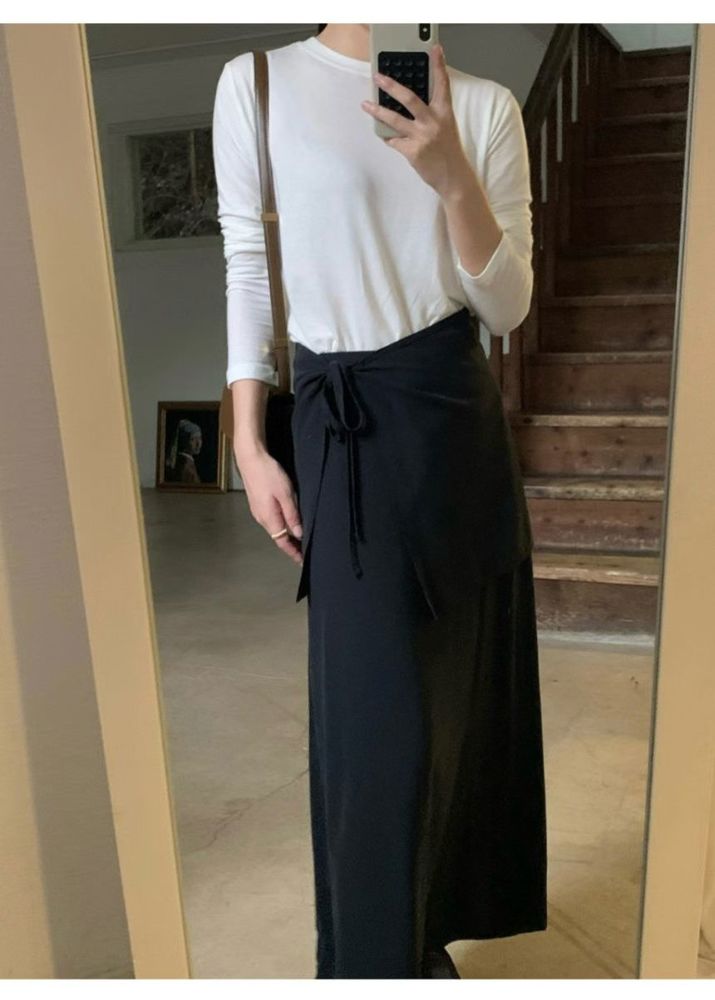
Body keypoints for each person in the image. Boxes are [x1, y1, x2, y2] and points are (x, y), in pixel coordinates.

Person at [212, 22, 547, 979]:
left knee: (455, 697)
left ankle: (418, 932)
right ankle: (370, 964)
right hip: (337, 421)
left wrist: (450, 176)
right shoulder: (258, 85)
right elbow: (247, 267)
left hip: (451, 422)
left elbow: (506, 307)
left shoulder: (484, 107)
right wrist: (248, 442)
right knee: (374, 717)